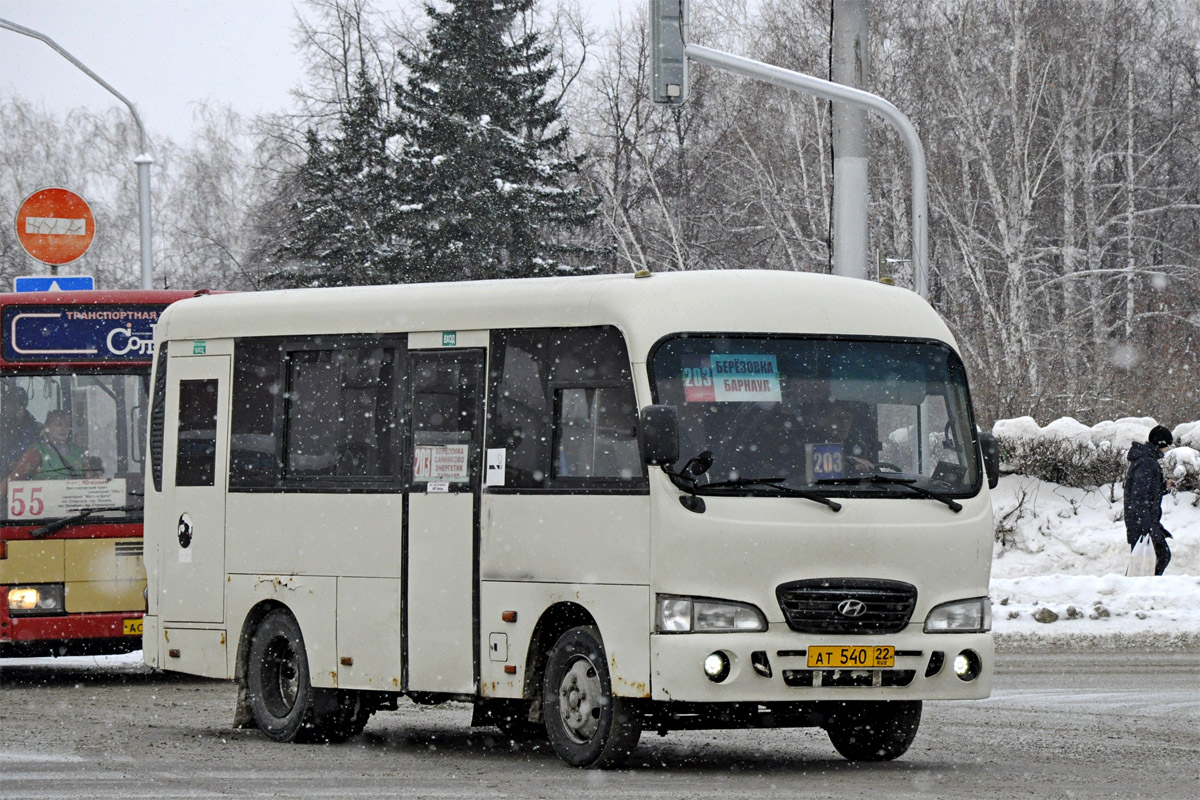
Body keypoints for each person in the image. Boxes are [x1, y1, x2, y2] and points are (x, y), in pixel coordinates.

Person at [1123, 424, 1176, 576]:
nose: (1167, 449)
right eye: (1167, 445)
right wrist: (1146, 527)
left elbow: (1146, 492)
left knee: (1141, 561)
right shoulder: (1147, 462)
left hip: (1142, 520)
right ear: (1160, 444)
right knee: (1159, 556)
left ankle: (1135, 589)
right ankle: (1139, 589)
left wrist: (1164, 487)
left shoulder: (1146, 460)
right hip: (1143, 522)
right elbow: (1139, 497)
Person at [4, 410, 93, 485]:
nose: (64, 428)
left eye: (67, 425)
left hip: (73, 502)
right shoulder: (37, 451)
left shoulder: (77, 451)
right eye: (59, 424)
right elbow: (14, 479)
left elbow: (91, 480)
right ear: (47, 427)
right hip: (47, 503)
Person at [1, 385, 42, 477]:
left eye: (9, 404)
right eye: (4, 404)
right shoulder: (2, 427)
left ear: (21, 406)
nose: (5, 407)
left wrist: (23, 465)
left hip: (29, 480)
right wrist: (6, 464)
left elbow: (40, 454)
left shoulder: (36, 429)